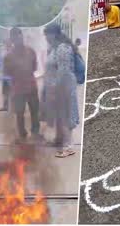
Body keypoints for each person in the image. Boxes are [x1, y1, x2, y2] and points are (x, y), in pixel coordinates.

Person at [42, 24, 80, 158]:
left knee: (66, 116)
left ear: (55, 34)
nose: (46, 37)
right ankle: (60, 140)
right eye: (45, 34)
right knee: (60, 116)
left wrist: (56, 89)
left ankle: (68, 147)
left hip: (64, 87)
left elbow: (63, 71)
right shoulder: (55, 47)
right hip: (58, 86)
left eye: (48, 34)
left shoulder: (62, 48)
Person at [4, 28, 40, 141]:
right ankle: (22, 133)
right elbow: (7, 73)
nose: (19, 39)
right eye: (16, 38)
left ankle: (35, 131)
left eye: (20, 37)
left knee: (35, 111)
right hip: (18, 89)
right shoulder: (8, 56)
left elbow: (34, 67)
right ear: (12, 39)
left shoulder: (31, 51)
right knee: (19, 113)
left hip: (32, 87)